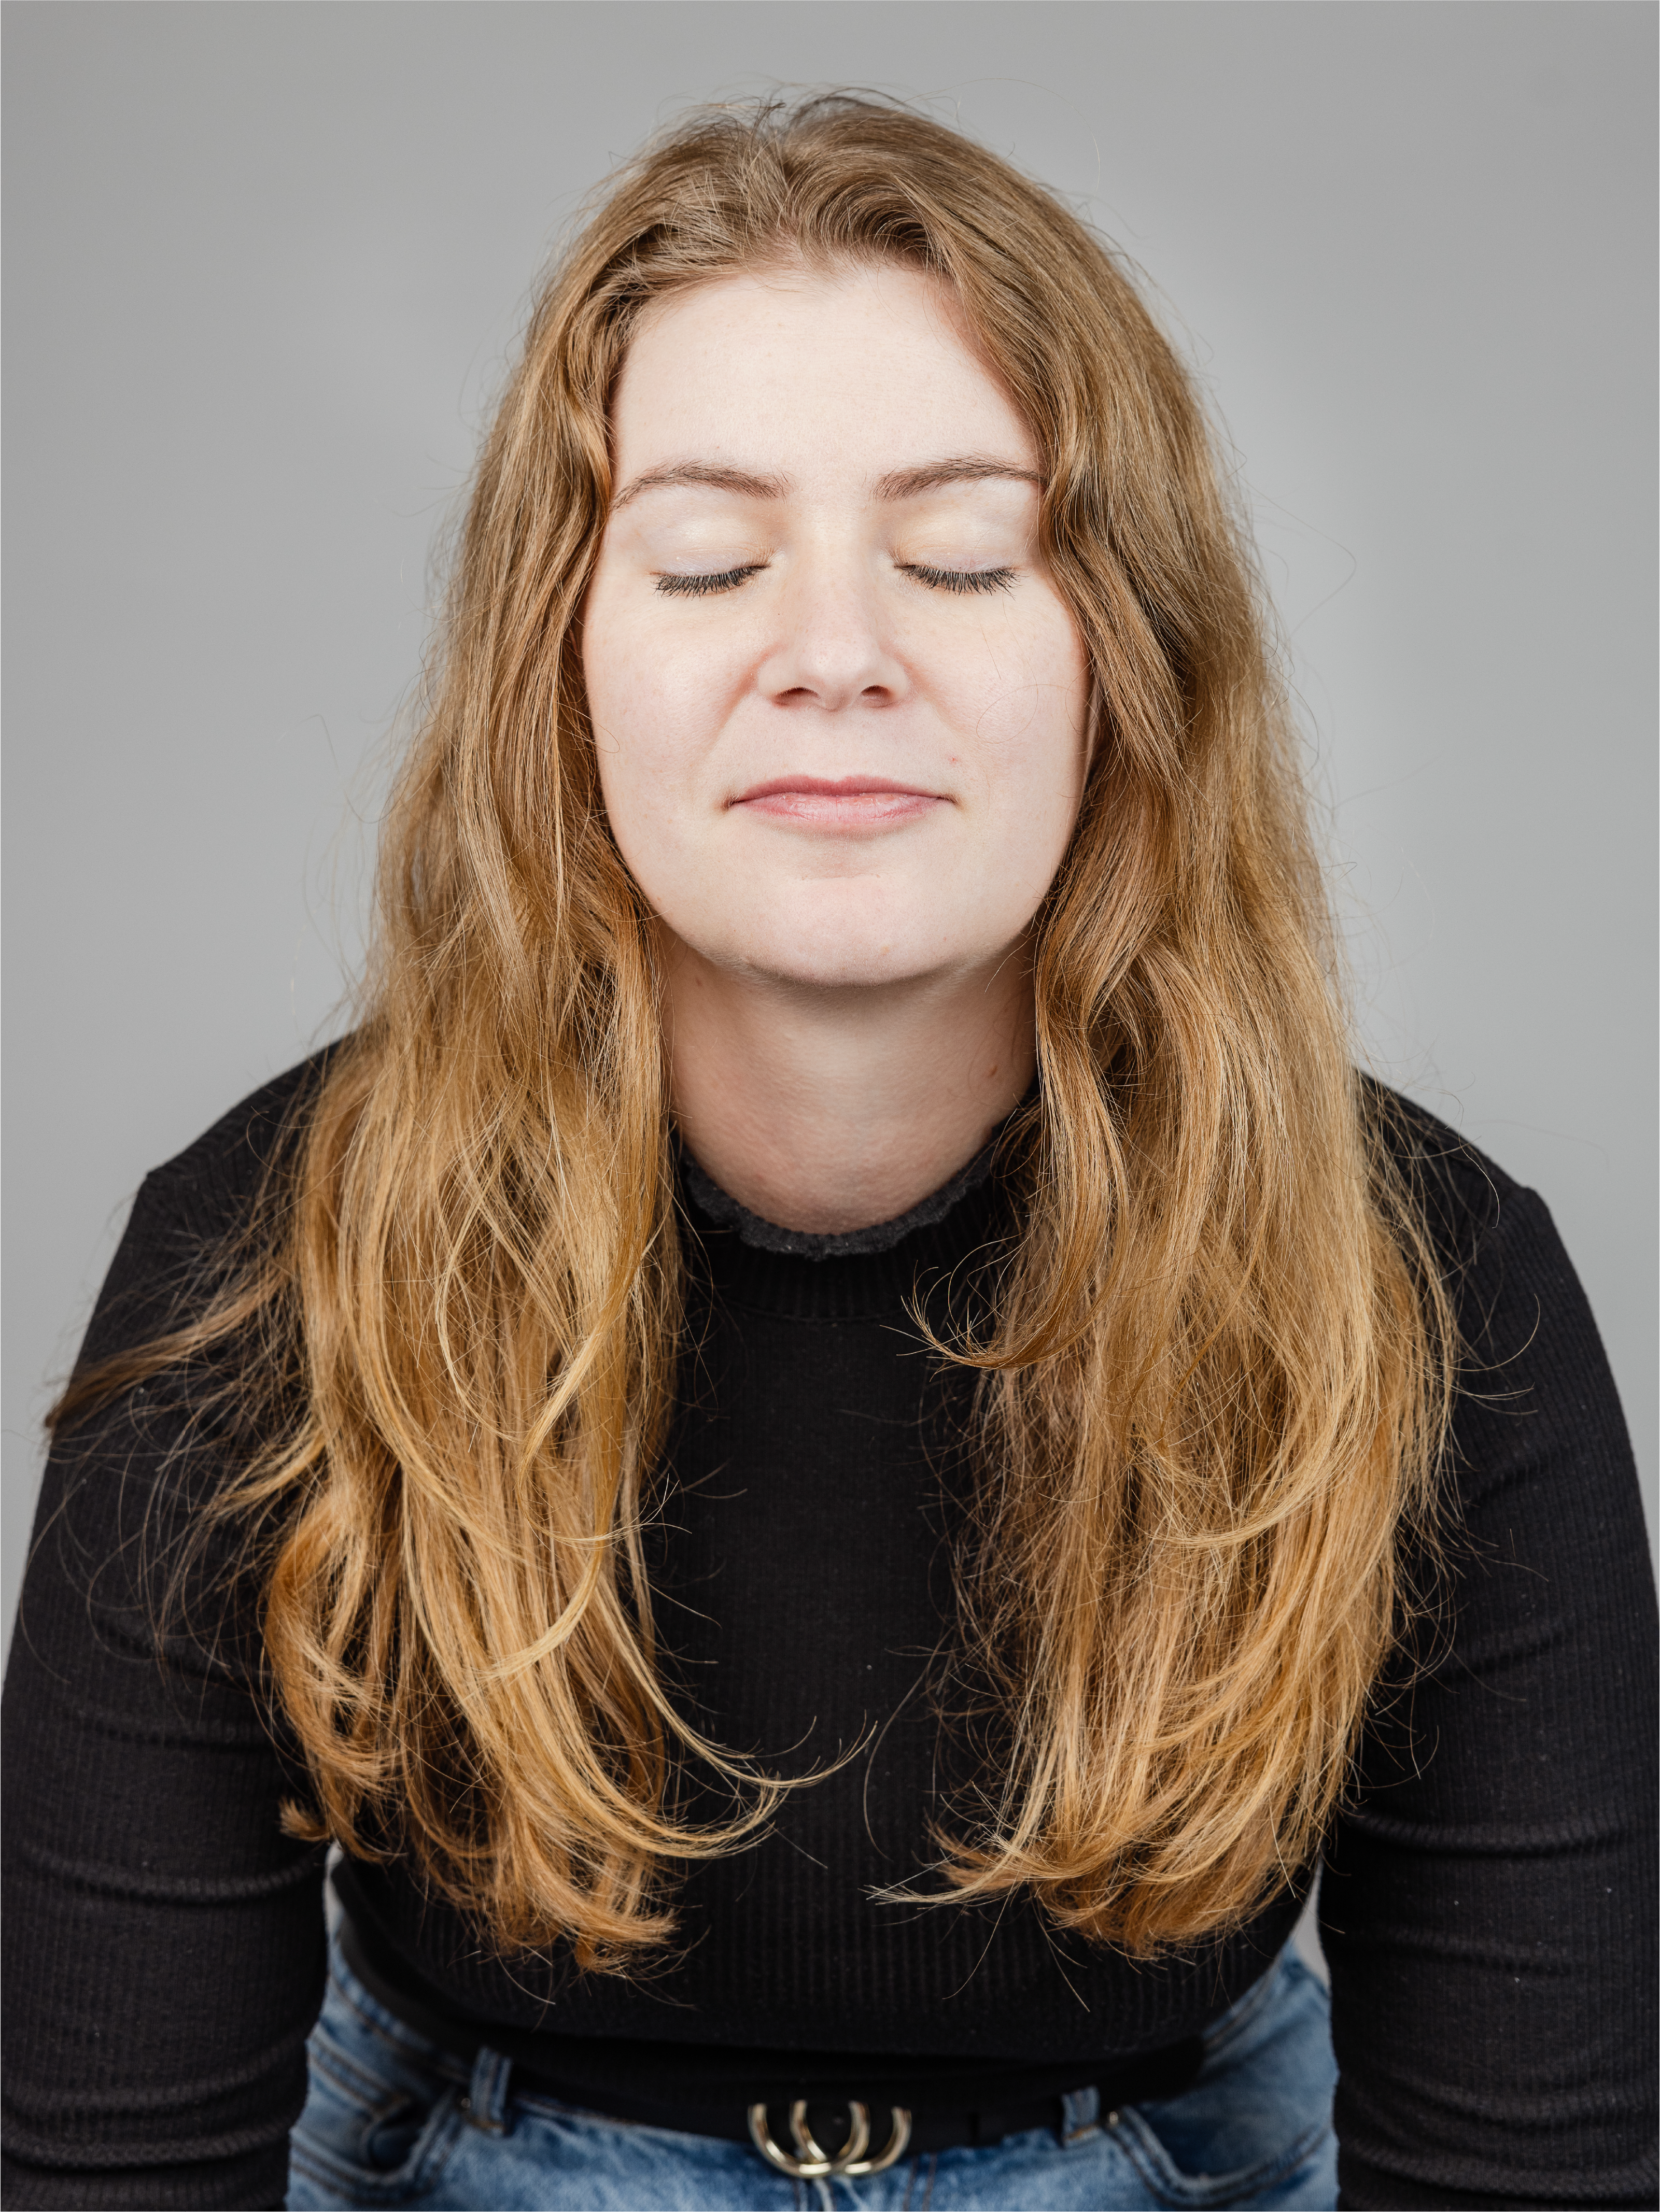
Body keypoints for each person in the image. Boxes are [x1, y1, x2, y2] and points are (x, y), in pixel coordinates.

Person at [1, 93, 1653, 2212]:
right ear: (558, 664)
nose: (837, 651)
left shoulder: (1427, 1280)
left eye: (962, 552)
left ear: (1115, 661)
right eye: (705, 556)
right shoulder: (259, 1259)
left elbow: (1533, 2162)